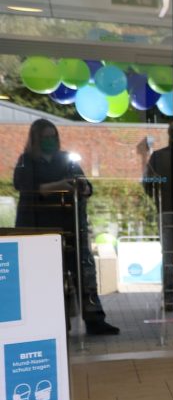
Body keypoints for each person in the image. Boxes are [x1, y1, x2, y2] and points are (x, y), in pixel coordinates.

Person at [13, 119, 119, 334]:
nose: (51, 140)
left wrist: (83, 187)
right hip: (40, 228)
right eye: (46, 137)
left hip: (71, 227)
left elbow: (86, 185)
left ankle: (95, 320)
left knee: (84, 274)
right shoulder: (27, 161)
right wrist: (59, 186)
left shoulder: (66, 160)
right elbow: (26, 187)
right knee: (49, 277)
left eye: (53, 136)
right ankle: (56, 323)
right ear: (36, 139)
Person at [143, 121, 173, 311]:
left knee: (169, 257)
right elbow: (147, 183)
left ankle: (169, 298)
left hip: (167, 211)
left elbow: (147, 184)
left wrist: (158, 200)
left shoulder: (158, 157)